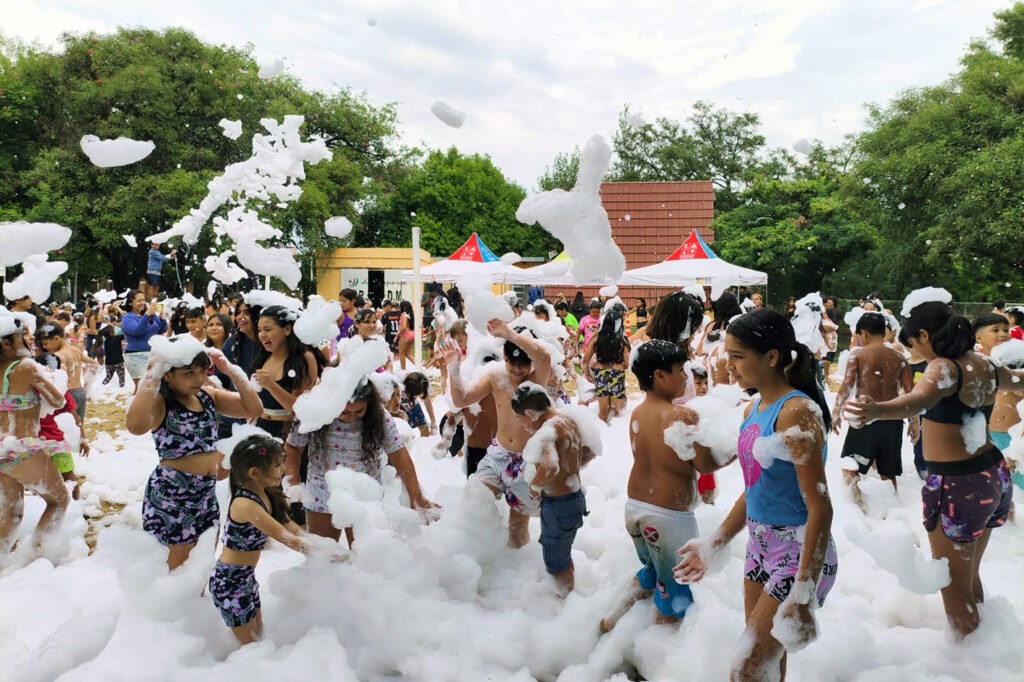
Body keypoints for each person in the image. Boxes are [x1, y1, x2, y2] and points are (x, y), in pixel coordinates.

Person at [845, 298, 1024, 638]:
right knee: (968, 575)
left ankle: (968, 662)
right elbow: (1017, 379)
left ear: (924, 335)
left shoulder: (943, 366)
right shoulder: (984, 363)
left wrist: (877, 411)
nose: (915, 351)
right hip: (991, 475)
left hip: (959, 485)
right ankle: (984, 652)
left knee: (952, 582)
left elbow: (919, 399)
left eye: (912, 344)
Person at [674, 310, 837, 680]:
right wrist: (714, 542)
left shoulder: (797, 412)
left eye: (737, 356)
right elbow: (756, 489)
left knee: (745, 669)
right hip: (761, 545)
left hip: (799, 550)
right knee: (766, 663)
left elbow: (820, 506)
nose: (727, 365)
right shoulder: (754, 407)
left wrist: (804, 589)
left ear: (772, 357)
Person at [600, 340, 734, 633]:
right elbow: (706, 464)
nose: (686, 377)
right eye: (680, 371)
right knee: (677, 588)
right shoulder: (680, 416)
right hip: (668, 517)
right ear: (660, 376)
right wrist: (737, 446)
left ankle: (613, 617)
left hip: (635, 508)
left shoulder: (638, 412)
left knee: (654, 569)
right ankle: (660, 648)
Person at [126, 340, 262, 569]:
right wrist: (151, 376)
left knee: (201, 565)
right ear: (167, 375)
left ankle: (195, 602)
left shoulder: (207, 396)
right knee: (175, 569)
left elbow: (253, 409)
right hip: (172, 496)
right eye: (189, 373)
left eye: (202, 371)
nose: (198, 379)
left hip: (205, 494)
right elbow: (136, 426)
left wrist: (232, 371)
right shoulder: (161, 401)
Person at [210, 435, 342, 645]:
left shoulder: (266, 493)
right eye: (278, 465)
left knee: (258, 635)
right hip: (229, 582)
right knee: (248, 644)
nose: (283, 469)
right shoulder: (245, 504)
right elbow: (284, 537)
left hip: (246, 578)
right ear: (255, 473)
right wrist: (323, 553)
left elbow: (288, 526)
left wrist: (317, 543)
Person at [284, 377, 436, 545]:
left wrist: (416, 496)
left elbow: (399, 455)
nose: (351, 418)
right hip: (321, 491)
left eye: (359, 411)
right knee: (322, 556)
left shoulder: (379, 416)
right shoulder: (314, 413)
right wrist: (293, 481)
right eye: (344, 412)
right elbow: (293, 447)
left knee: (364, 558)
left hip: (364, 494)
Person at [443, 319, 552, 547]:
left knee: (517, 526)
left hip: (527, 461)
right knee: (475, 500)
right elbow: (461, 399)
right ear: (504, 355)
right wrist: (453, 371)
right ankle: (476, 557)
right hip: (498, 455)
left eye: (524, 363)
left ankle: (513, 569)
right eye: (513, 362)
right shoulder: (495, 376)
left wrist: (510, 334)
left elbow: (544, 357)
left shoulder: (536, 379)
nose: (518, 369)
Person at [512, 383, 593, 594]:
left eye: (520, 418)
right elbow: (588, 453)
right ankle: (570, 596)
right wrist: (571, 470)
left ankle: (563, 601)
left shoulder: (547, 430)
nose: (521, 424)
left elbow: (550, 465)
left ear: (530, 413)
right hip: (574, 499)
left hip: (558, 505)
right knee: (562, 556)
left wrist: (534, 486)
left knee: (556, 562)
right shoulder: (568, 422)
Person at [831, 312, 916, 510]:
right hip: (892, 418)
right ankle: (893, 512)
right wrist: (914, 422)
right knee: (888, 471)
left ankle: (858, 506)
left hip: (864, 418)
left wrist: (836, 412)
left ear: (864, 334)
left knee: (851, 466)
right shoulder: (899, 357)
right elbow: (911, 395)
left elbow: (846, 386)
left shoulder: (858, 355)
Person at [0, 316, 69, 555]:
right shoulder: (26, 367)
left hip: (2, 446)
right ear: (7, 343)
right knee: (59, 500)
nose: (30, 338)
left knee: (10, 514)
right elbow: (57, 400)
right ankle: (41, 557)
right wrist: (53, 375)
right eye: (23, 334)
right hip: (21, 447)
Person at [250, 306, 319, 441]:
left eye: (268, 329)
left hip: (289, 432)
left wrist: (272, 386)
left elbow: (298, 409)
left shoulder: (304, 358)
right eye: (259, 330)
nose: (262, 335)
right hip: (261, 428)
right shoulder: (263, 357)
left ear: (287, 329)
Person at [973, 314, 1023, 488]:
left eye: (1006, 330)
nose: (1003, 334)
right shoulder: (975, 363)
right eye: (995, 330)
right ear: (978, 337)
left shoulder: (1016, 360)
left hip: (1012, 435)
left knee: (1017, 484)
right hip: (985, 433)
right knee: (995, 485)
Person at [34, 353, 84, 499]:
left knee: (39, 480)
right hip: (58, 441)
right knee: (68, 475)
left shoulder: (32, 391)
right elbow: (75, 417)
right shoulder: (62, 392)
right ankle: (76, 505)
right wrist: (82, 437)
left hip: (36, 443)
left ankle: (45, 508)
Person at [38, 323, 98, 424]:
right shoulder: (75, 350)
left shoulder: (58, 356)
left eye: (46, 343)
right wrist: (88, 381)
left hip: (68, 395)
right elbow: (94, 364)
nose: (45, 347)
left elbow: (59, 379)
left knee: (67, 429)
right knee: (78, 425)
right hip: (80, 392)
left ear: (56, 339)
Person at [583, 306, 630, 423]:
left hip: (600, 374)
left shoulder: (597, 338)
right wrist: (622, 365)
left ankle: (603, 437)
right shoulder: (622, 339)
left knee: (603, 413)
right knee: (617, 414)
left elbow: (585, 360)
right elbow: (627, 362)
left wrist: (587, 373)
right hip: (617, 373)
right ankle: (615, 438)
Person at [121, 290, 168, 394]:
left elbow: (162, 330)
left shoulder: (149, 315)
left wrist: (162, 319)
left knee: (155, 387)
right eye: (139, 300)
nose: (142, 302)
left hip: (153, 355)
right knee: (142, 388)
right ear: (130, 303)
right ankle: (135, 409)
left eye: (143, 300)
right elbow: (137, 331)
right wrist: (147, 315)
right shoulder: (127, 318)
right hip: (136, 357)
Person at [401, 371, 437, 437]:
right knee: (403, 433)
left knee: (425, 428)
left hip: (413, 405)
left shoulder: (423, 382)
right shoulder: (397, 381)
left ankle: (424, 445)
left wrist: (433, 420)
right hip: (398, 406)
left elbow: (427, 401)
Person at [99, 319, 126, 388]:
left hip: (108, 362)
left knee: (109, 375)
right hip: (118, 361)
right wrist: (120, 326)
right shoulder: (117, 338)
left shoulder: (106, 341)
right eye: (114, 330)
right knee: (121, 376)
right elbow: (126, 334)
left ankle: (104, 383)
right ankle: (121, 385)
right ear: (111, 333)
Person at [396, 300, 416, 370]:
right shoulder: (410, 315)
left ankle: (403, 369)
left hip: (405, 335)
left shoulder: (403, 315)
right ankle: (418, 365)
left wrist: (398, 334)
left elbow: (403, 327)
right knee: (408, 353)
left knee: (401, 353)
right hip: (412, 334)